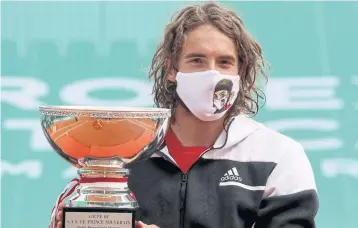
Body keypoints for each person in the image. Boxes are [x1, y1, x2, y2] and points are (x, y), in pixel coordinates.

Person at [50, 2, 319, 228]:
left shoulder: (278, 157)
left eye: (224, 62)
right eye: (197, 60)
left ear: (241, 72)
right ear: (171, 69)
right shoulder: (124, 151)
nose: (212, 74)